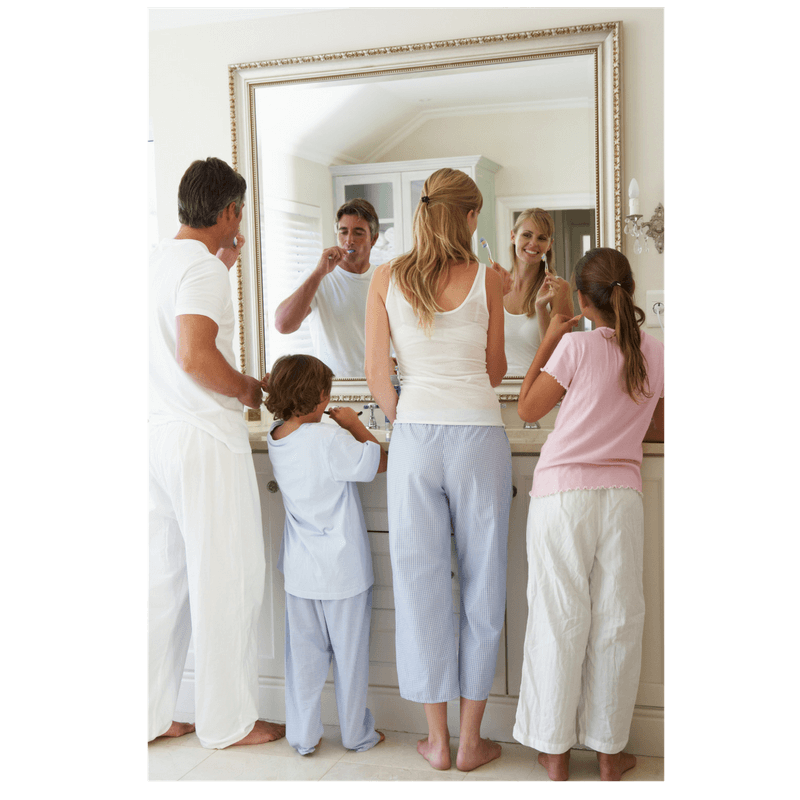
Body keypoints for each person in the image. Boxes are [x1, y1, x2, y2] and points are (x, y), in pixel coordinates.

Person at [365, 168, 511, 772]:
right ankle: (474, 741)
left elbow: (377, 376)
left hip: (417, 437)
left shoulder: (384, 278)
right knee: (485, 582)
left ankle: (437, 743)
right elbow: (497, 370)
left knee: (421, 586)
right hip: (480, 432)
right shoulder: (491, 280)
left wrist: (413, 418)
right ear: (471, 216)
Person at [512, 247, 665, 782]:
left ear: (582, 298)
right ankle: (608, 753)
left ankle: (554, 756)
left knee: (558, 620)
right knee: (618, 622)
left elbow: (528, 408)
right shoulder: (655, 351)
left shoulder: (574, 348)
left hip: (562, 498)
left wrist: (551, 336)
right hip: (621, 498)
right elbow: (660, 426)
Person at [147, 157, 285, 749]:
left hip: (158, 437)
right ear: (229, 211)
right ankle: (228, 722)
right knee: (229, 576)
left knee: (164, 583)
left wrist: (219, 260)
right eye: (240, 213)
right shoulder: (202, 269)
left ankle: (153, 716)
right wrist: (250, 389)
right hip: (203, 437)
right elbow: (195, 358)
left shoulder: (159, 259)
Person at [264, 354, 387, 755]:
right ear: (322, 397)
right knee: (350, 659)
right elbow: (379, 462)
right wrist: (354, 424)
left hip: (301, 574)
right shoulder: (332, 439)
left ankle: (302, 737)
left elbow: (287, 412)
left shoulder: (277, 436)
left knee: (303, 661)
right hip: (343, 571)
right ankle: (355, 734)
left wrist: (277, 387)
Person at [274, 199, 380, 377]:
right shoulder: (317, 277)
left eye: (358, 233)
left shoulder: (383, 279)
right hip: (333, 389)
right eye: (343, 232)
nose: (349, 240)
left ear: (374, 239)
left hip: (377, 386)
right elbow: (283, 325)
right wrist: (318, 274)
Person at [496, 208, 574, 374]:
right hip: (500, 390)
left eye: (541, 238)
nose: (533, 243)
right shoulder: (496, 286)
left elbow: (559, 356)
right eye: (527, 235)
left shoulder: (558, 289)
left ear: (549, 245)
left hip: (537, 393)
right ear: (513, 236)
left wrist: (540, 309)